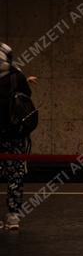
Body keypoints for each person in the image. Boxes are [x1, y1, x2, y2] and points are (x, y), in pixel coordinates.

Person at [0, 43, 38, 230]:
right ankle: (13, 215)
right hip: (14, 134)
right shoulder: (17, 76)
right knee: (15, 174)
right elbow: (26, 97)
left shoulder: (17, 75)